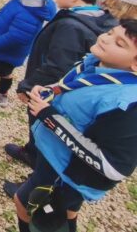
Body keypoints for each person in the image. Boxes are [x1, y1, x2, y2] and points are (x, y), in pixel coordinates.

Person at [12, 20, 137, 232]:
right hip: (54, 155)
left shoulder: (127, 105)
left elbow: (113, 167)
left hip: (66, 170)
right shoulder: (97, 62)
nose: (105, 39)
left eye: (119, 43)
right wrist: (51, 91)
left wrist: (49, 117)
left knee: (25, 205)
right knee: (65, 209)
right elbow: (77, 89)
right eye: (110, 32)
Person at [3, 0, 118, 173]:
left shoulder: (71, 27)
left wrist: (28, 87)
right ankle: (32, 151)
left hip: (50, 90)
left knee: (45, 123)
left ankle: (37, 173)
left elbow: (57, 66)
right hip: (69, 88)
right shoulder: (98, 18)